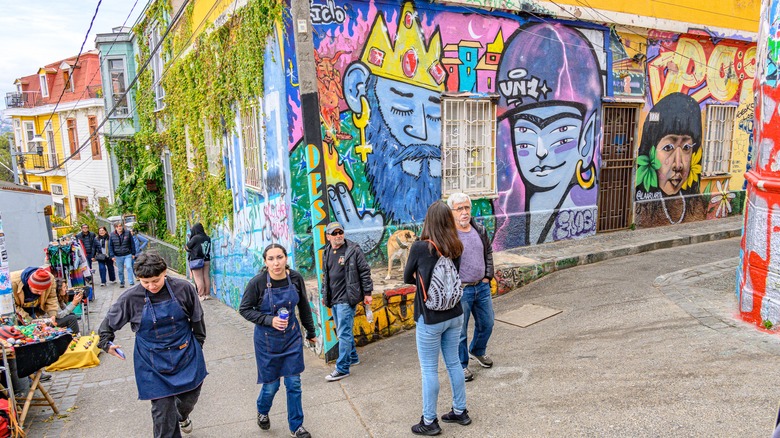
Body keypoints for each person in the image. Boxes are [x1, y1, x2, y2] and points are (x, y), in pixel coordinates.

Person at [98, 252, 207, 438]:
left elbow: (197, 318)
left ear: (165, 272)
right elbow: (108, 324)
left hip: (185, 354)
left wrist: (198, 344)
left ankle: (182, 415)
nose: (151, 286)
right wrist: (106, 343)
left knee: (189, 397)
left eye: (156, 280)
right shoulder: (130, 298)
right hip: (151, 361)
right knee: (163, 411)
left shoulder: (183, 288)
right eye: (145, 282)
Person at [404, 201, 470, 435]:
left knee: (429, 369)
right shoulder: (456, 245)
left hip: (430, 317)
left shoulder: (421, 247)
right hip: (454, 314)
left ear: (428, 221)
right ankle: (460, 411)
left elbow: (407, 277)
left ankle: (430, 421)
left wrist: (422, 280)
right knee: (453, 363)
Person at [239, 244, 316, 438]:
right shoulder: (257, 283)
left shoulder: (295, 278)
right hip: (266, 341)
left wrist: (311, 331)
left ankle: (296, 426)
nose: (276, 263)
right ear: (265, 262)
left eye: (280, 257)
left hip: (291, 338)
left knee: (294, 383)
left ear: (285, 258)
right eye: (271, 259)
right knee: (271, 385)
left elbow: (304, 306)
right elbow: (245, 309)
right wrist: (269, 320)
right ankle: (262, 410)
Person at [634, 92, 707, 227]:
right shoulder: (641, 208)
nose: (678, 165)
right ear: (650, 151)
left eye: (686, 147)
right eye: (668, 147)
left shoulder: (696, 205)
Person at [447, 193, 495, 382]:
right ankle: (462, 365)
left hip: (481, 287)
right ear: (451, 212)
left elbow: (488, 252)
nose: (465, 212)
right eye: (460, 208)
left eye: (467, 207)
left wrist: (487, 276)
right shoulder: (448, 234)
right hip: (462, 291)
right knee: (460, 332)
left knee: (487, 323)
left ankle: (477, 349)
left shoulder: (479, 229)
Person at [321, 221, 373, 382]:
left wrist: (367, 293)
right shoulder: (327, 252)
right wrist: (324, 295)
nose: (338, 236)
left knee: (343, 333)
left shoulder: (353, 250)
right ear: (328, 236)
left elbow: (365, 271)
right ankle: (352, 357)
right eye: (334, 233)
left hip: (347, 298)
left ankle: (342, 368)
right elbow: (326, 277)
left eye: (340, 232)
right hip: (334, 299)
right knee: (344, 331)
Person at [10, 267, 79, 334]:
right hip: (18, 311)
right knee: (25, 332)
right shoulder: (12, 284)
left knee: (37, 331)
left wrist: (52, 315)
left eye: (43, 291)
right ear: (29, 285)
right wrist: (29, 321)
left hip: (35, 309)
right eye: (37, 291)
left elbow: (51, 298)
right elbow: (13, 306)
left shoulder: (50, 279)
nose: (40, 293)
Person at [185, 223, 212, 301]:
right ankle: (207, 294)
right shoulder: (207, 238)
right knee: (206, 276)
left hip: (196, 260)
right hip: (206, 259)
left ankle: (201, 295)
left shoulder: (195, 238)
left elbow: (187, 247)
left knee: (198, 278)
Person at [108, 221, 136, 288]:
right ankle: (122, 282)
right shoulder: (112, 235)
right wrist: (112, 255)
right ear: (115, 228)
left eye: (120, 226)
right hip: (118, 255)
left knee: (129, 267)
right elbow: (110, 246)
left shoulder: (127, 233)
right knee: (120, 270)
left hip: (127, 254)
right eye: (117, 226)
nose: (119, 228)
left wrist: (133, 253)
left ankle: (131, 282)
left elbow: (132, 243)